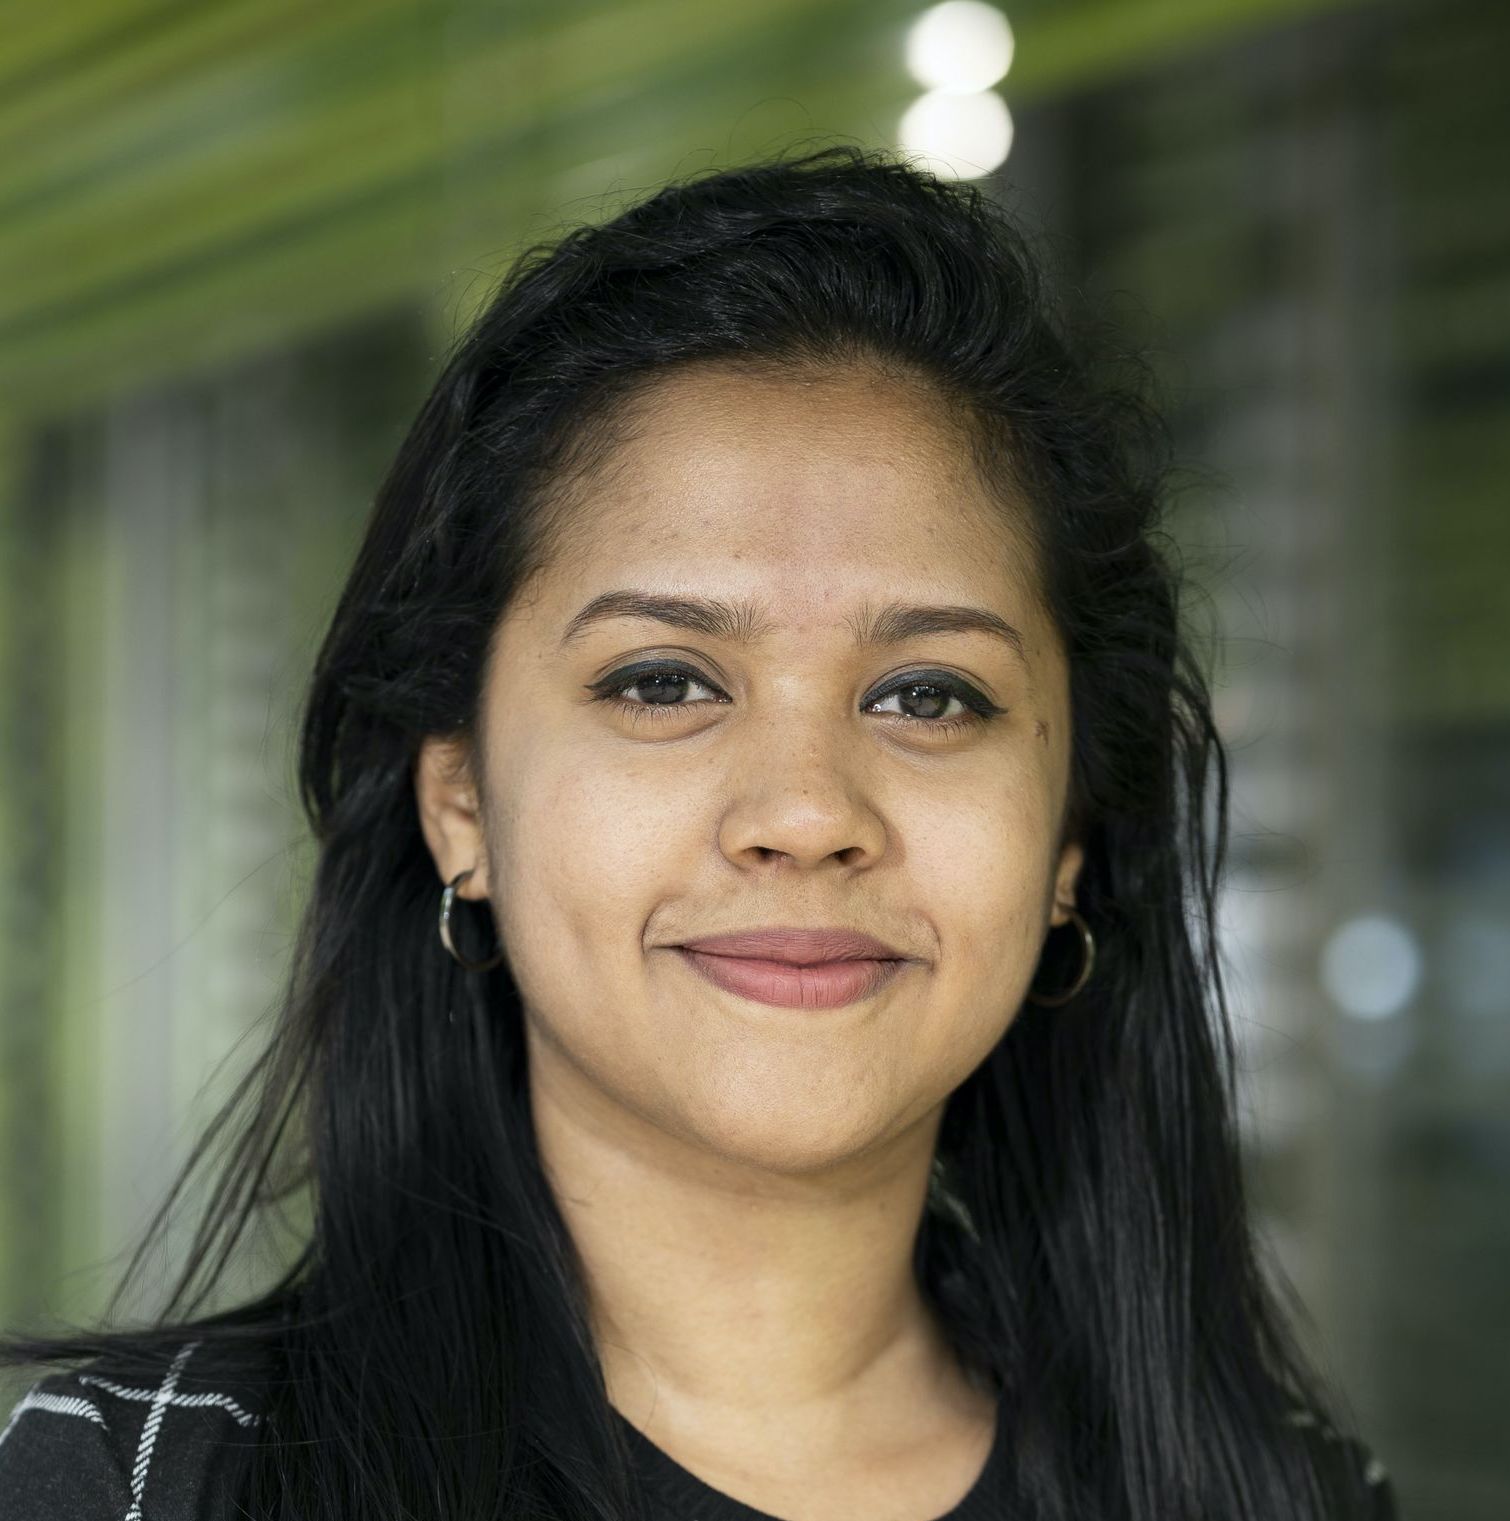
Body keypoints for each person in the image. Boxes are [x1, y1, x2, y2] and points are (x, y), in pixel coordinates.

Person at [0, 142, 1400, 1520]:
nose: (806, 813)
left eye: (927, 694)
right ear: (461, 803)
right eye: (663, 681)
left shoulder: (1292, 1499)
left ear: (1068, 846)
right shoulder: (146, 1487)